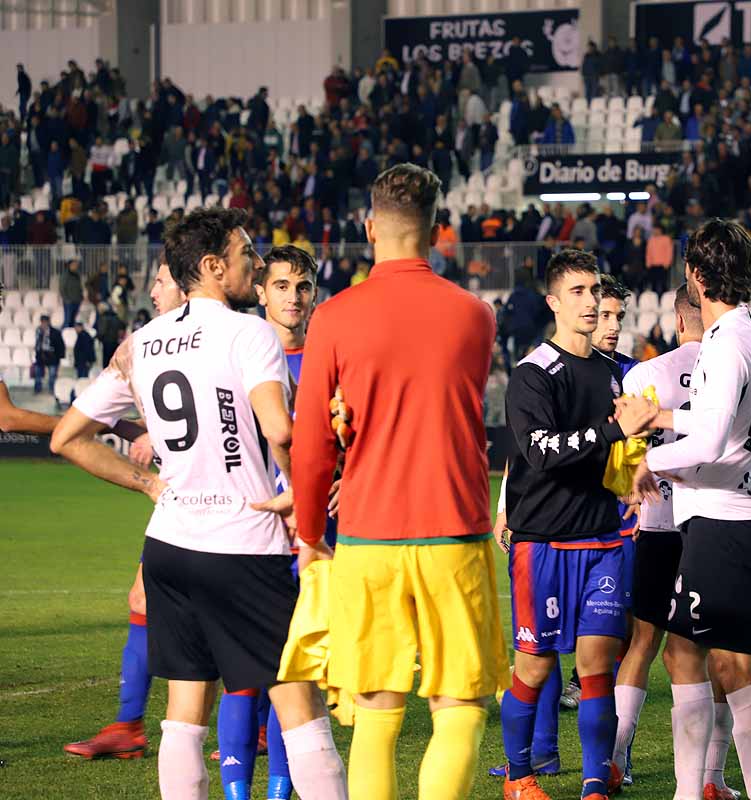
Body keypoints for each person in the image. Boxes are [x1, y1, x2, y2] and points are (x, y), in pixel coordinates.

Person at [50, 208, 349, 799]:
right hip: (243, 545)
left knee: (184, 710)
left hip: (169, 543)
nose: (256, 264)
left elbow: (66, 438)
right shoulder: (249, 332)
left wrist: (149, 487)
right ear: (213, 267)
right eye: (247, 254)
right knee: (299, 700)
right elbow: (280, 431)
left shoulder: (143, 341)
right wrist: (299, 502)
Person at [290, 165, 508, 800]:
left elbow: (311, 446)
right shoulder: (475, 316)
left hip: (367, 535)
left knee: (377, 716)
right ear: (439, 231)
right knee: (459, 707)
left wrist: (309, 533)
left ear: (368, 227)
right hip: (454, 533)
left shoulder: (331, 317)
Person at [629, 219, 751, 800]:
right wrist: (665, 436)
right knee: (686, 651)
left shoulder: (727, 344)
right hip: (725, 511)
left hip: (722, 517)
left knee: (735, 666)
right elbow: (723, 425)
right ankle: (692, 789)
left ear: (695, 274)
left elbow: (711, 437)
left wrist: (655, 441)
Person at [497, 248, 657, 800]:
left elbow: (623, 446)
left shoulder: (615, 373)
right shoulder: (533, 374)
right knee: (534, 669)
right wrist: (614, 433)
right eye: (578, 293)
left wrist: (637, 468)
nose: (591, 303)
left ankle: (594, 783)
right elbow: (541, 452)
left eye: (594, 291)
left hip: (604, 540)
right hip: (542, 543)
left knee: (596, 667)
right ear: (554, 302)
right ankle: (518, 777)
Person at [611, 285, 742, 800]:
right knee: (709, 652)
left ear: (676, 318)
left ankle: (616, 760)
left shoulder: (645, 373)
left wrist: (636, 486)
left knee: (642, 644)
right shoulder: (729, 369)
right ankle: (712, 778)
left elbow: (629, 453)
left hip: (658, 523)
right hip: (712, 525)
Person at [207, 244, 323, 800]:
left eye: (302, 286)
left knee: (290, 669)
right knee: (243, 679)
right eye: (281, 285)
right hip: (245, 529)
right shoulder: (234, 356)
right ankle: (236, 793)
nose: (293, 297)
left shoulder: (327, 360)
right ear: (260, 291)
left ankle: (278, 792)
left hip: (308, 535)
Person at [62, 261, 185, 762]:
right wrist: (146, 434)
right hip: (178, 498)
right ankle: (129, 726)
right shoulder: (142, 346)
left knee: (231, 620)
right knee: (143, 599)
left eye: (161, 281)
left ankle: (265, 722)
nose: (151, 290)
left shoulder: (234, 336)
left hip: (235, 499)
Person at [33, 314, 65, 396]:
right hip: (40, 355)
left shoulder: (55, 332)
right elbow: (37, 344)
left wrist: (59, 357)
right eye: (42, 322)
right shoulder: (38, 330)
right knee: (37, 373)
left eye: (45, 322)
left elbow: (61, 345)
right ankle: (37, 388)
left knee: (52, 374)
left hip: (52, 356)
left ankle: (52, 389)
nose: (43, 324)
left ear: (48, 322)